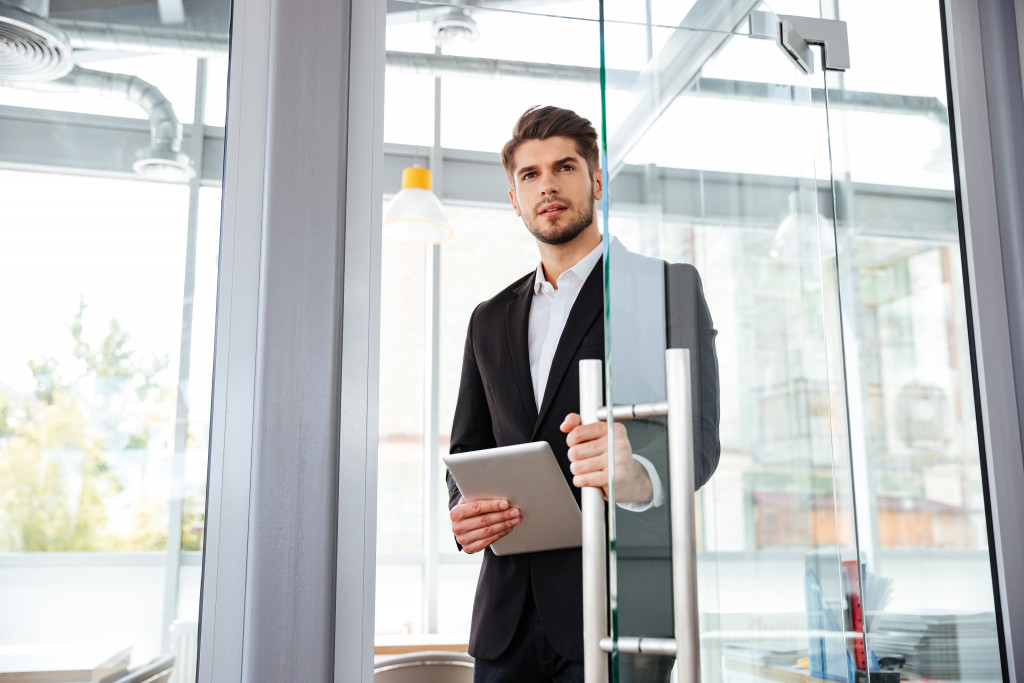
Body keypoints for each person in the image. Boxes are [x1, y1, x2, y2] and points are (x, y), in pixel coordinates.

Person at [447, 105, 720, 682]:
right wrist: (463, 511)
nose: (547, 185)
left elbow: (700, 442)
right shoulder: (488, 318)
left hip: (619, 614)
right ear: (514, 199)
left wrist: (635, 472)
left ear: (596, 181)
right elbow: (468, 451)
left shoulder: (665, 286)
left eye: (564, 167)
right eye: (529, 175)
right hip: (507, 623)